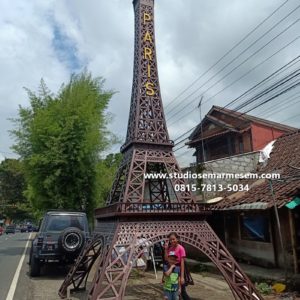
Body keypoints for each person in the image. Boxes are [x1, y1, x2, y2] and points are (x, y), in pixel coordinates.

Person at [164, 232, 191, 300]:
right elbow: (166, 259)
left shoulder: (181, 248)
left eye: (173, 239)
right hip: (171, 270)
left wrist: (182, 277)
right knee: (173, 290)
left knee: (182, 291)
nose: (172, 241)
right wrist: (166, 249)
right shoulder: (170, 248)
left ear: (177, 239)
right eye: (170, 240)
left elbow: (182, 263)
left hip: (178, 270)